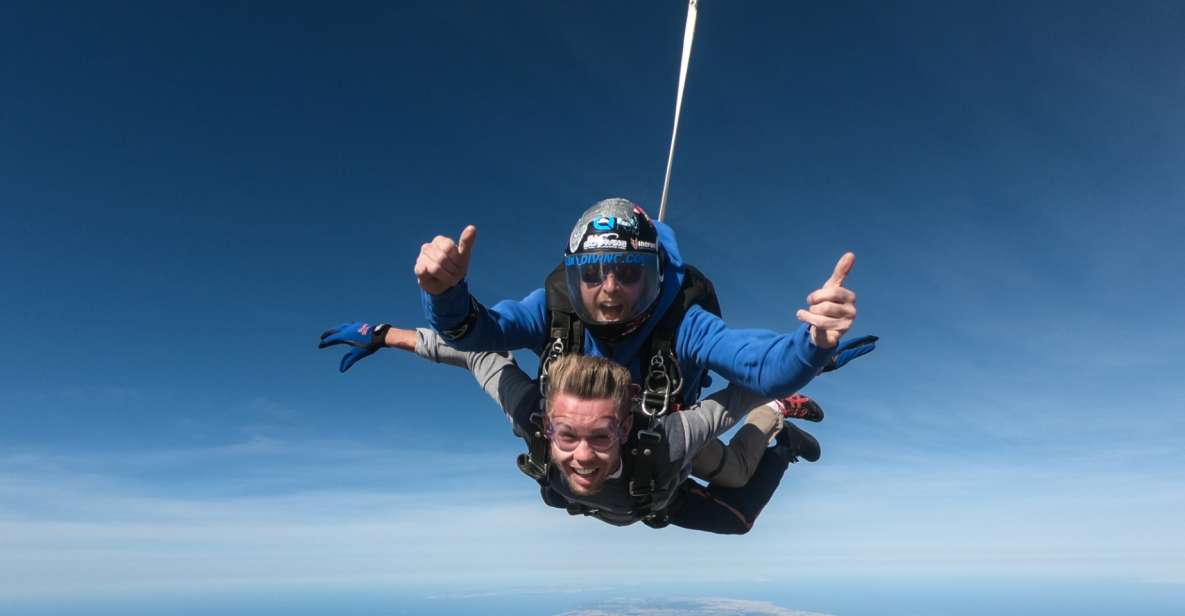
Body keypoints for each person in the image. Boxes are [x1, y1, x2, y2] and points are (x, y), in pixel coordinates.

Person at [336, 325, 821, 532]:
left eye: (601, 436)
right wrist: (383, 334)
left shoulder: (670, 439)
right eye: (566, 436)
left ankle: (779, 423)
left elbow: (735, 397)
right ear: (548, 427)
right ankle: (776, 417)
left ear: (627, 427)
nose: (582, 456)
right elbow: (476, 353)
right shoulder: (531, 417)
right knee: (733, 475)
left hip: (659, 478)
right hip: (644, 487)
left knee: (736, 489)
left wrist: (808, 355)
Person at [412, 198, 862, 410]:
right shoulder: (553, 307)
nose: (609, 288)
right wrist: (445, 295)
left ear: (656, 276)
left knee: (716, 481)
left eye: (629, 274)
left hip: (664, 422)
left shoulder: (682, 320)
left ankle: (779, 425)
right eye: (591, 274)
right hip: (590, 438)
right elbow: (478, 332)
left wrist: (813, 343)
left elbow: (759, 366)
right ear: (574, 277)